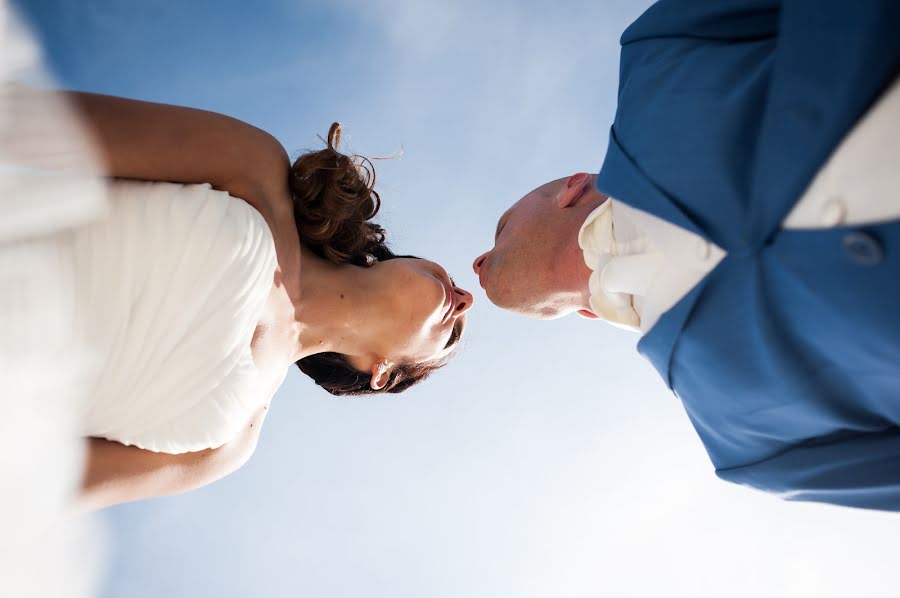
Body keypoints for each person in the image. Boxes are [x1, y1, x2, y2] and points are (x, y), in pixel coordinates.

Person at [473, 0, 900, 511]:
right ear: (584, 314)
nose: (476, 263)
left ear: (572, 187)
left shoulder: (658, 52)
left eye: (500, 229)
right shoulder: (751, 449)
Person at [3, 88, 474, 510]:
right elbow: (33, 120)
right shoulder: (255, 168)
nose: (466, 300)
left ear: (382, 372)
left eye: (452, 336)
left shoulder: (226, 446)